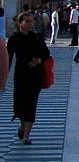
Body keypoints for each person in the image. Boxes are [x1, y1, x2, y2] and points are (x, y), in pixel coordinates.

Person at [7, 12, 49, 145]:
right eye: (27, 21)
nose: (31, 24)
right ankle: (22, 126)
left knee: (31, 104)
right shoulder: (14, 39)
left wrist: (38, 60)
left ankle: (26, 135)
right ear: (20, 24)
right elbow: (8, 57)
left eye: (31, 21)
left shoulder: (37, 37)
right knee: (20, 104)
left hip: (36, 75)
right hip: (20, 75)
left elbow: (46, 53)